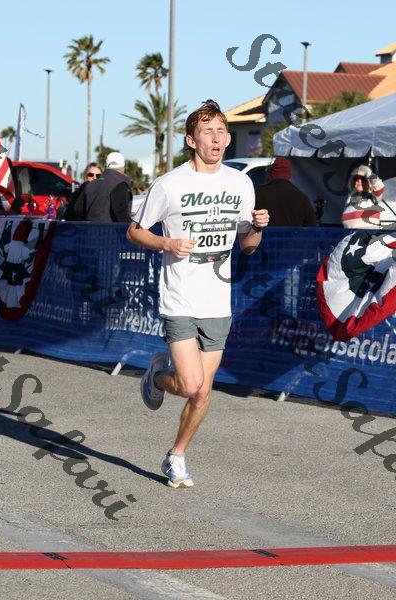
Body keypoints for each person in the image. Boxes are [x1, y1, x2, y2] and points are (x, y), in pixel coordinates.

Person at [127, 99, 269, 488]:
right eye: (208, 132)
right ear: (192, 140)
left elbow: (248, 246)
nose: (217, 138)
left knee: (203, 392)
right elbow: (134, 231)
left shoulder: (241, 183)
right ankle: (157, 377)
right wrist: (166, 243)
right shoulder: (170, 184)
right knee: (190, 384)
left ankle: (176, 456)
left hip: (218, 300)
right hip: (180, 297)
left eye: (222, 131)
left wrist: (257, 227)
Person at [69, 153, 133, 222]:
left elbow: (78, 210)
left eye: (97, 175)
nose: (94, 177)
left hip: (89, 227)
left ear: (106, 166)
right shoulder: (120, 184)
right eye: (90, 174)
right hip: (110, 228)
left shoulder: (89, 186)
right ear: (123, 167)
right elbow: (121, 216)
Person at [254, 157, 317, 226]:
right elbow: (312, 226)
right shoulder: (301, 197)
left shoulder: (258, 194)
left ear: (270, 174)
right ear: (289, 175)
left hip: (265, 233)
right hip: (294, 233)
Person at [341, 164, 385, 229]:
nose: (359, 181)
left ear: (370, 183)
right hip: (349, 234)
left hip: (368, 235)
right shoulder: (349, 200)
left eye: (363, 179)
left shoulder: (373, 198)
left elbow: (380, 187)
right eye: (356, 178)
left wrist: (367, 172)